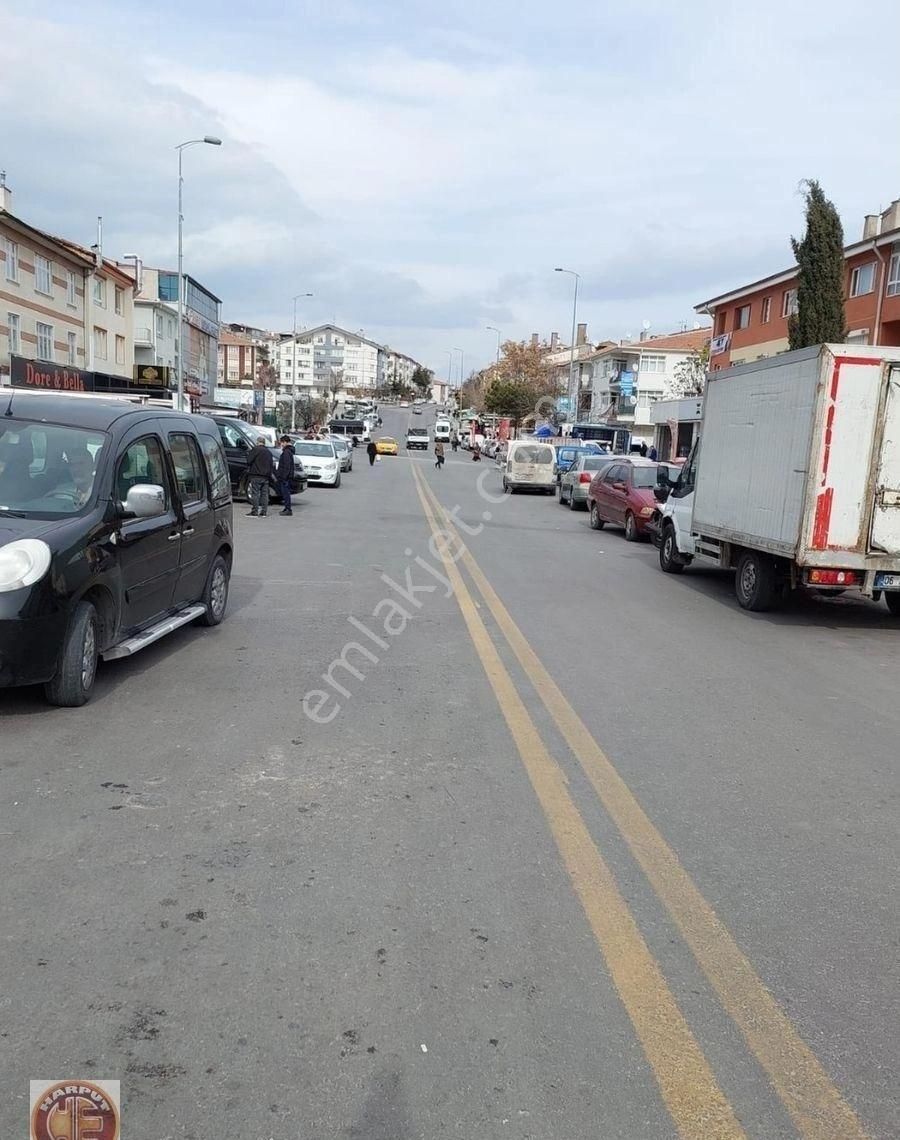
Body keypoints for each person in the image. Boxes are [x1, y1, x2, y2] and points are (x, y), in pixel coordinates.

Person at [246, 436, 274, 516]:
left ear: (258, 442)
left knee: (255, 493)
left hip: (256, 475)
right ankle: (264, 512)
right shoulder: (268, 452)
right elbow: (271, 464)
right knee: (264, 494)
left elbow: (249, 461)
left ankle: (255, 511)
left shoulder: (255, 450)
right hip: (266, 476)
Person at [276, 435, 296, 516]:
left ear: (285, 442)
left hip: (285, 478)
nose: (281, 445)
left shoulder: (286, 452)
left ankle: (288, 509)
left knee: (286, 493)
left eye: (282, 443)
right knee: (285, 493)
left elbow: (287, 466)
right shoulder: (289, 451)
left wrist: (284, 477)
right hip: (287, 476)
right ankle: (286, 508)